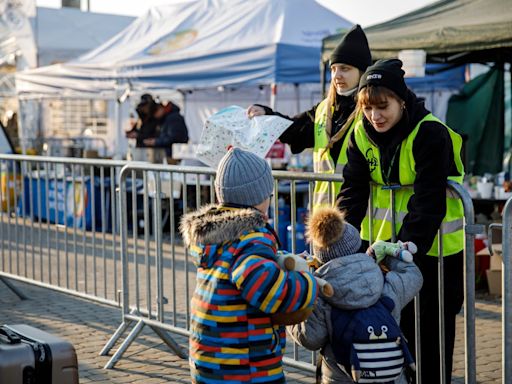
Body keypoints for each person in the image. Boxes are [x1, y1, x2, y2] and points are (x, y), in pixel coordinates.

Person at [336, 59, 465, 383]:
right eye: (368, 108)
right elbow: (352, 192)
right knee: (385, 338)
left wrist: (401, 249)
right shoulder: (360, 134)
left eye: (383, 107)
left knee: (431, 341)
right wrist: (341, 241)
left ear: (402, 101)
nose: (375, 116)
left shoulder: (430, 132)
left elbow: (428, 200)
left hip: (433, 255)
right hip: (379, 253)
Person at [179, 147, 318, 384]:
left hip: (210, 360)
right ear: (261, 197)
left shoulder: (214, 237)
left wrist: (277, 257)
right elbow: (270, 291)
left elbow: (240, 265)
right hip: (246, 366)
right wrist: (307, 281)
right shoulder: (252, 239)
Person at [289, 206, 423, 384]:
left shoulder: (321, 295)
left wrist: (298, 293)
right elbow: (413, 276)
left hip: (341, 377)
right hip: (390, 376)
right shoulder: (384, 284)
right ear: (359, 247)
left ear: (320, 260)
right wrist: (386, 255)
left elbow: (309, 338)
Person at [247, 24, 372, 210]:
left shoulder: (372, 110)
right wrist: (267, 115)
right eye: (333, 69)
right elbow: (294, 129)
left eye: (345, 69)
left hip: (361, 214)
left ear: (362, 72)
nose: (337, 75)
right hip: (325, 213)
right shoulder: (324, 109)